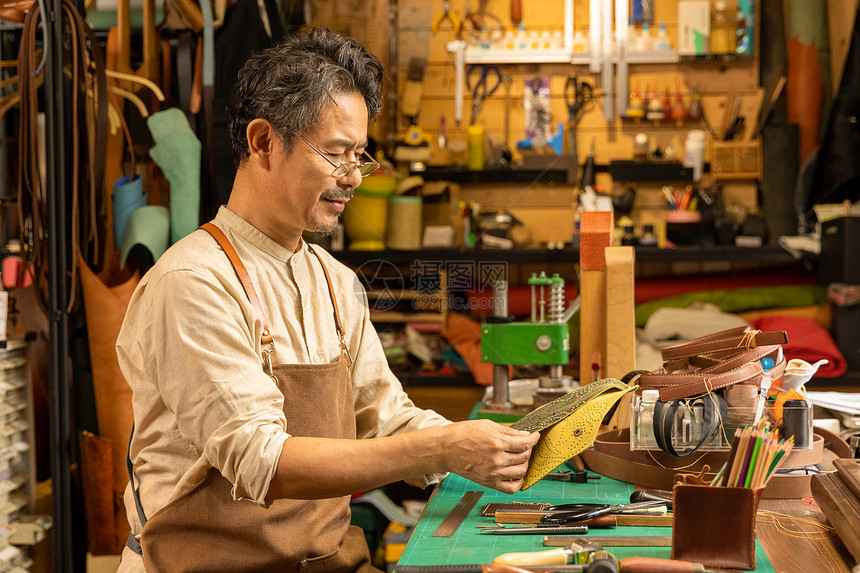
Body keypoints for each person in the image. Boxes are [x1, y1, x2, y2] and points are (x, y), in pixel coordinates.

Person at [116, 28, 539, 572]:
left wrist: (505, 445)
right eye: (337, 153)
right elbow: (261, 459)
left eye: (361, 156)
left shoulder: (335, 283)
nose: (354, 177)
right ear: (264, 141)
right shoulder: (193, 281)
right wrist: (444, 448)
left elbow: (386, 419)